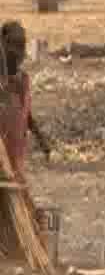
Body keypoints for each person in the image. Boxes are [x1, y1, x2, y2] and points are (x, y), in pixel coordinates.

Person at [0, 21, 51, 183]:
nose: (17, 52)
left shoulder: (23, 80)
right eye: (13, 45)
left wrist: (39, 136)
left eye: (21, 46)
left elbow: (25, 113)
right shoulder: (2, 83)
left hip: (16, 150)